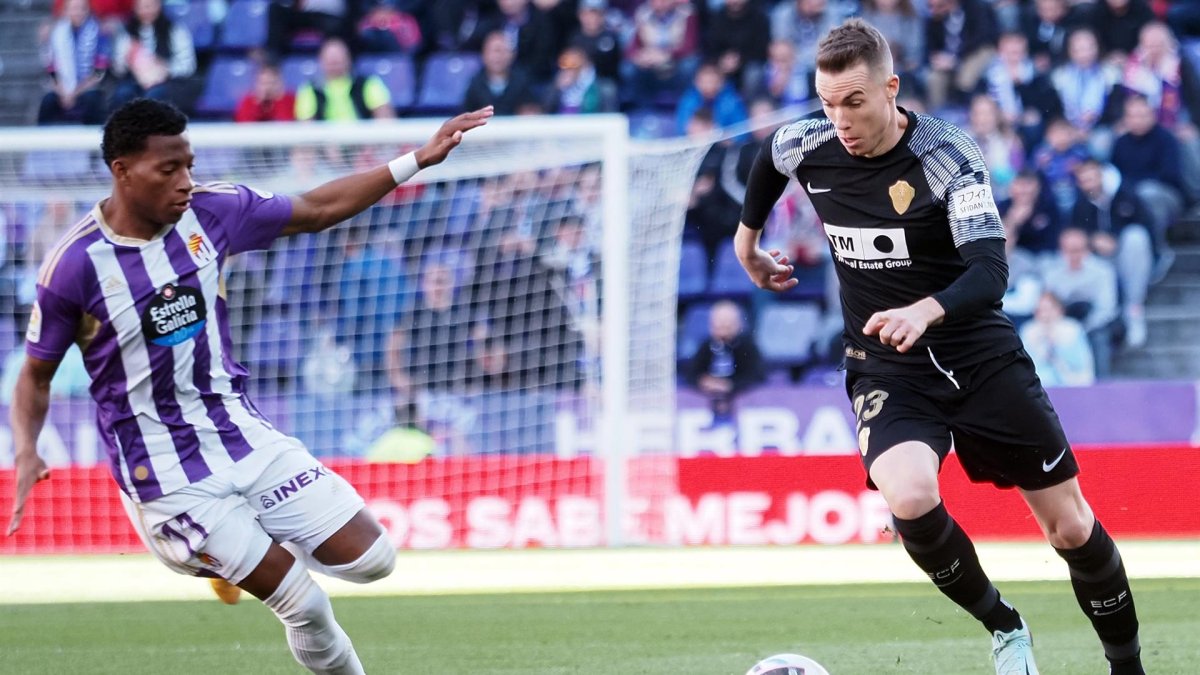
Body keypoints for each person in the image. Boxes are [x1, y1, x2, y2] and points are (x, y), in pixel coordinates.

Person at [6, 98, 492, 674]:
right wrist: (28, 447)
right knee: (305, 602)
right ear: (123, 171)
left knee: (373, 560)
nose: (186, 181)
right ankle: (223, 555)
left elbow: (314, 207)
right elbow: (35, 373)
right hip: (164, 473)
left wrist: (416, 160)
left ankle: (233, 553)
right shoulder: (75, 266)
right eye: (169, 170)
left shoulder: (214, 212)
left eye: (188, 164)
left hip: (240, 433)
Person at [735, 19, 1144, 674]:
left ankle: (1127, 667)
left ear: (891, 88)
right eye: (828, 102)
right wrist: (746, 243)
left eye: (855, 101)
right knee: (910, 497)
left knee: (1069, 527)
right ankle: (1005, 625)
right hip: (886, 366)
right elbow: (768, 162)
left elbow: (990, 271)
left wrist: (925, 309)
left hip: (978, 357)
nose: (839, 118)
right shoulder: (805, 142)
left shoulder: (946, 154)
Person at [39, 0, 111, 125]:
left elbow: (99, 72)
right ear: (65, 11)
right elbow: (51, 68)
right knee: (48, 101)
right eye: (73, 8)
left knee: (92, 99)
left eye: (81, 8)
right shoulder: (55, 33)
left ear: (88, 10)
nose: (77, 12)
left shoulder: (100, 32)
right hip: (62, 89)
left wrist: (75, 93)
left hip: (88, 88)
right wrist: (61, 91)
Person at [295, 37, 394, 121]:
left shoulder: (368, 83)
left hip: (363, 140)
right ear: (321, 61)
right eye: (330, 61)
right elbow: (306, 126)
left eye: (337, 60)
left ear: (348, 59)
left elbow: (385, 117)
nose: (334, 64)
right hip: (325, 142)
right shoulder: (309, 89)